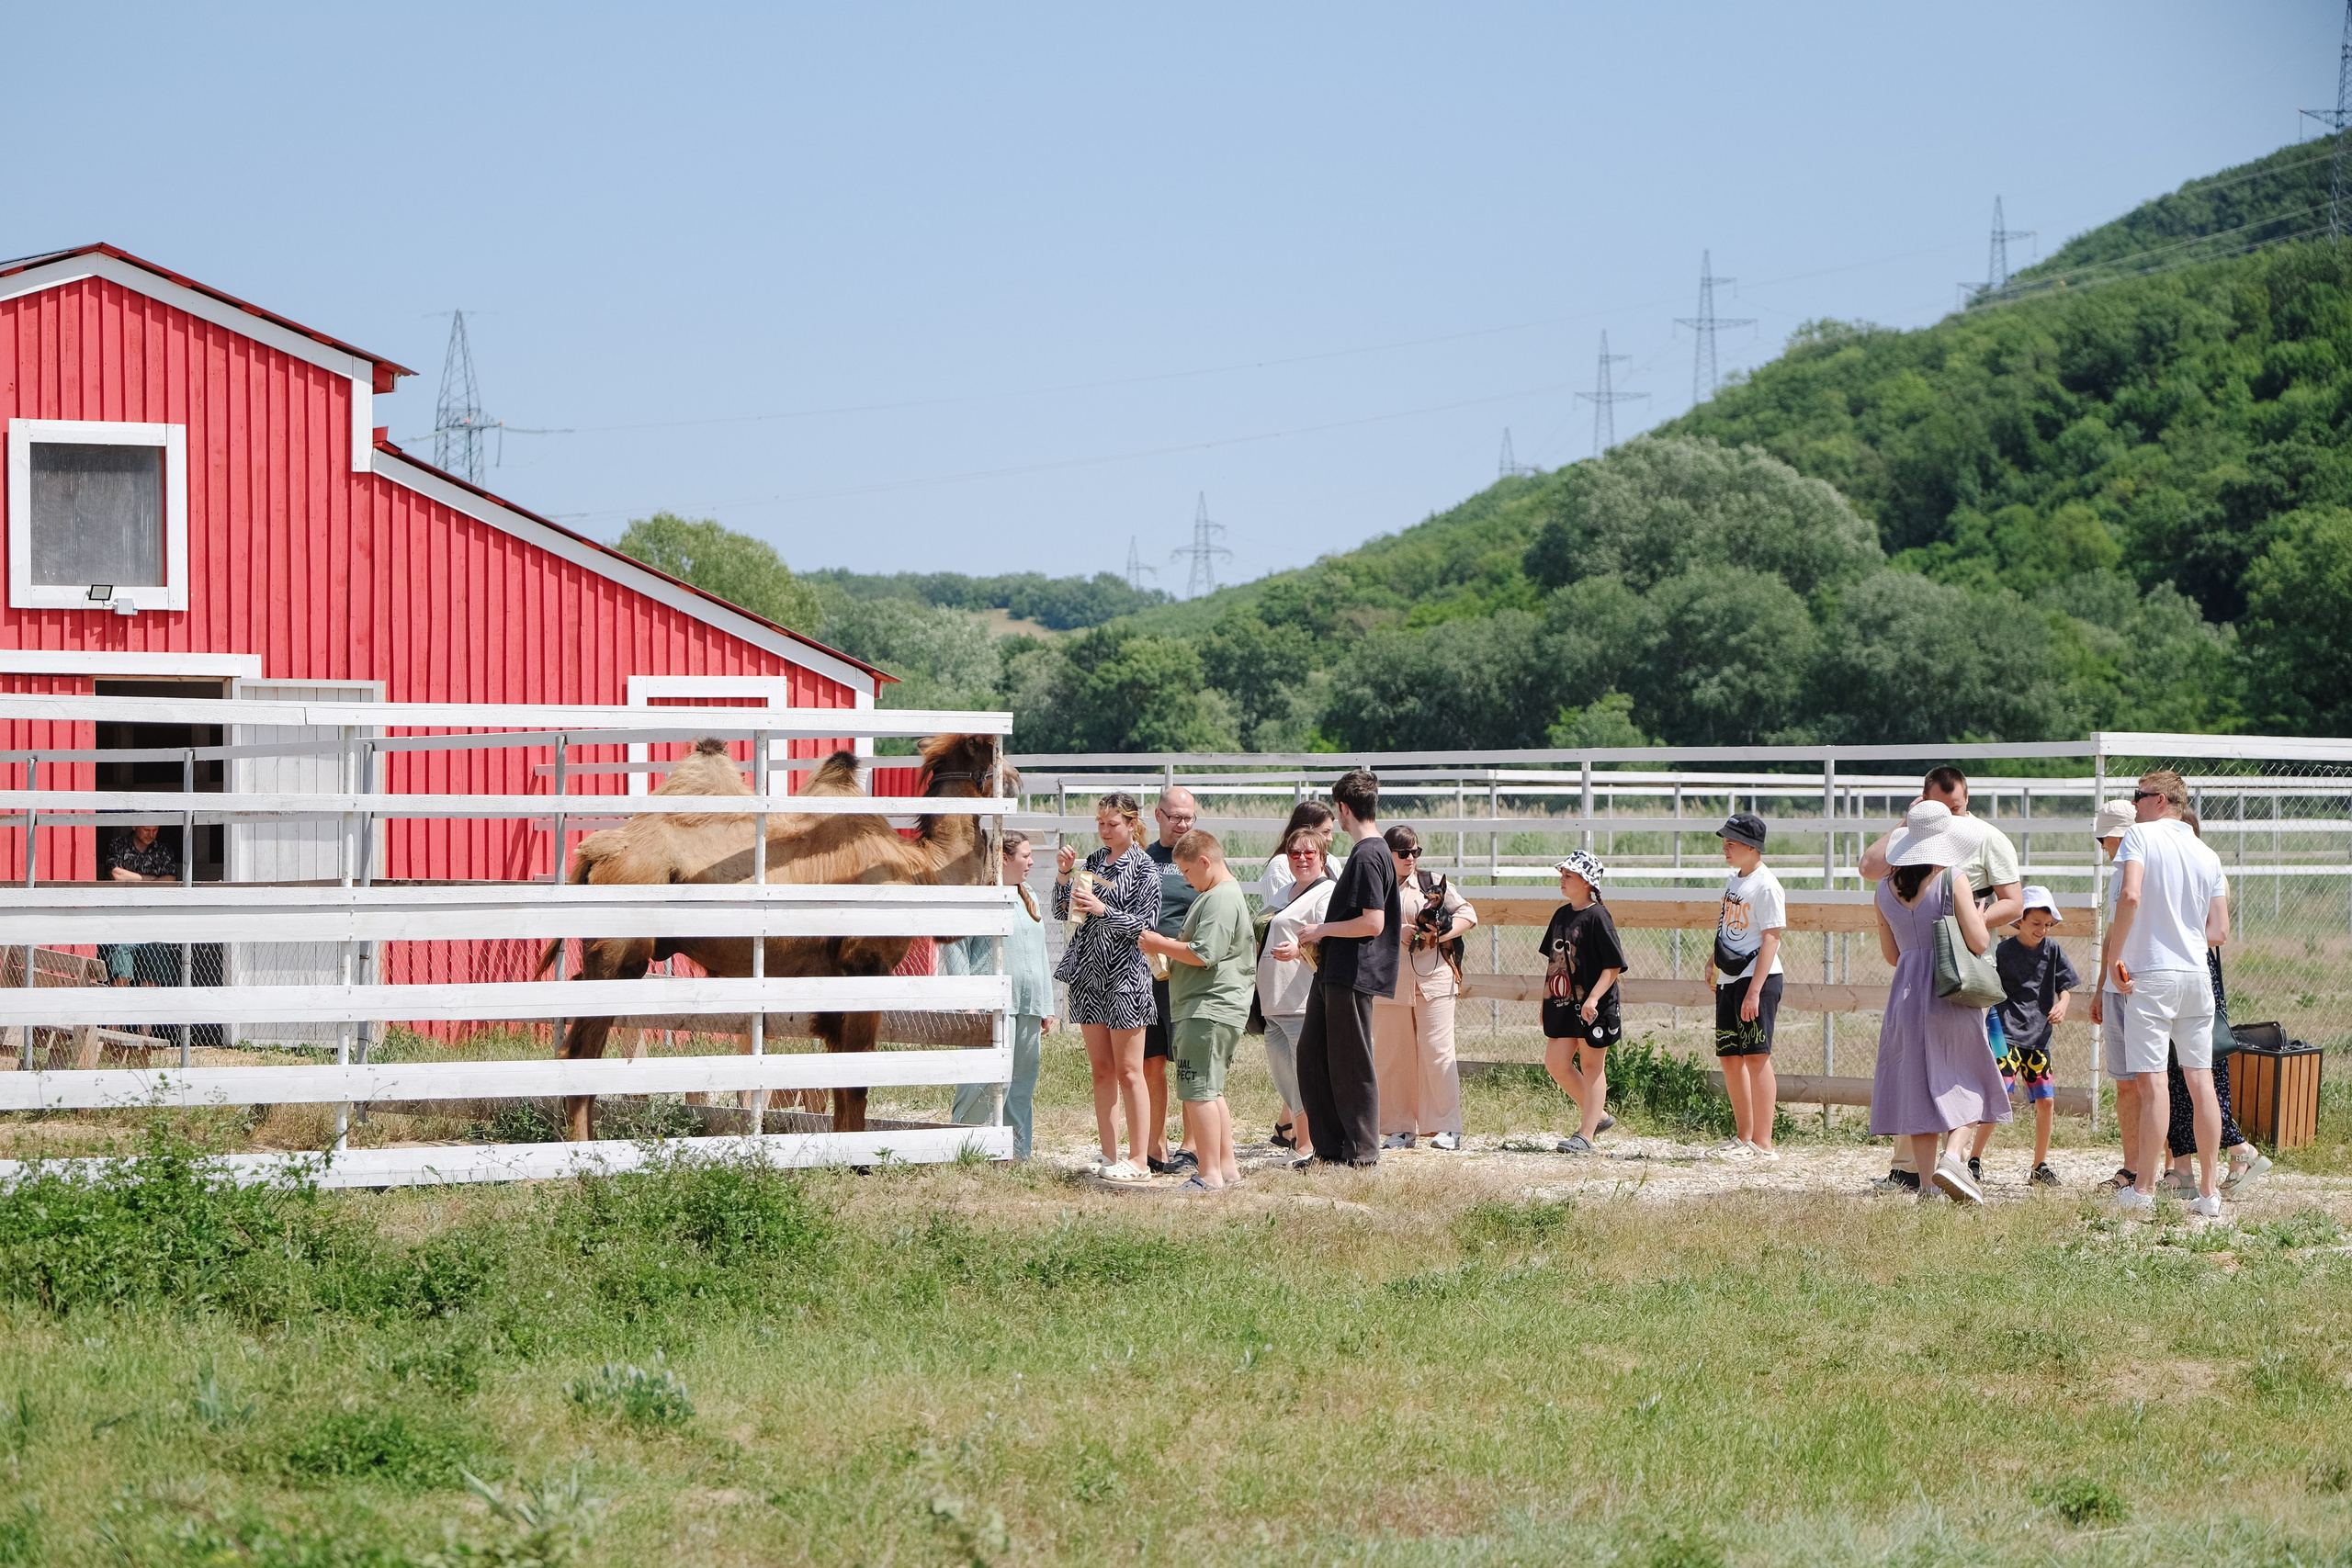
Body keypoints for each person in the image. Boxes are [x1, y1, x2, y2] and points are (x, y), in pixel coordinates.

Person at [1863, 766, 2023, 1193]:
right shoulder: (1953, 878)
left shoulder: (1883, 890)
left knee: (1916, 1087)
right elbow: (1976, 939)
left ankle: (1928, 1190)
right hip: (1949, 990)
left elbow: (1892, 955)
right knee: (1971, 1076)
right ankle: (1954, 1159)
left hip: (1906, 995)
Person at [2099, 770, 2231, 1217]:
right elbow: (2220, 931)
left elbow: (2130, 896)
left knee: (2153, 1086)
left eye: (2138, 796)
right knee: (2201, 1083)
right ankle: (2210, 1195)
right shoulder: (2207, 852)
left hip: (2151, 975)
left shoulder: (2140, 837)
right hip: (2196, 976)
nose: (2133, 804)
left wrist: (2117, 960)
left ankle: (2144, 1190)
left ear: (2159, 800)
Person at [1271, 768, 1398, 1168]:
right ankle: (1329, 1148)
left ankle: (1362, 1152)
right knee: (1313, 1057)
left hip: (1352, 974)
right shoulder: (1370, 853)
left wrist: (1320, 930)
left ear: (1344, 809)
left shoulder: (1367, 854)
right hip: (1335, 974)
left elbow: (1372, 922)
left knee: (1351, 1062)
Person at [1053, 792, 1161, 1182]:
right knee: (1101, 1071)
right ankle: (1109, 1153)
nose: (1104, 831)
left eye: (1113, 824)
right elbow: (1064, 913)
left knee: (1130, 1072)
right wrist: (1065, 875)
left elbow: (1145, 926)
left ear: (1132, 824)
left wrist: (1104, 910)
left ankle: (1139, 1160)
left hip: (1126, 978)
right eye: (1100, 824)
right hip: (1088, 975)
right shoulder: (1095, 862)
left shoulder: (1145, 867)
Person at [1140, 830, 1252, 1193]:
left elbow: (1205, 953)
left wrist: (1159, 943)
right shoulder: (1219, 895)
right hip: (1211, 1006)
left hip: (1207, 1007)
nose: (1185, 880)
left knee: (1197, 1092)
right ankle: (1226, 1169)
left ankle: (1209, 1175)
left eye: (1187, 871)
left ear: (1205, 862)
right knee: (1211, 1090)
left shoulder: (1219, 899)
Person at [943, 832, 1057, 1160]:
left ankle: (1016, 1152)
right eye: (1025, 855)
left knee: (1021, 1081)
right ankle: (968, 1148)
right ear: (1004, 858)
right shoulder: (978, 896)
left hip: (1028, 1004)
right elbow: (955, 947)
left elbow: (1038, 953)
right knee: (983, 1081)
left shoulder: (1029, 895)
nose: (1032, 862)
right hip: (991, 1003)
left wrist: (1045, 1004)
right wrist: (968, 997)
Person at [1373, 825, 1478, 1151]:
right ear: (1387, 854)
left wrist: (1439, 937)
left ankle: (1448, 1126)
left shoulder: (1431, 883)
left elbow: (1467, 914)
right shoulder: (1376, 886)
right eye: (1403, 853)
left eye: (1415, 852)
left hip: (1434, 979)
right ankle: (1400, 1127)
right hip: (1390, 981)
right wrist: (1396, 933)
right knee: (1393, 1054)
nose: (1411, 859)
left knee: (1437, 1051)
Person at [1977, 886, 2077, 1188]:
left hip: (2038, 1038)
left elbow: (2066, 987)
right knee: (1999, 1095)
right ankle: (1973, 1158)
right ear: (2019, 920)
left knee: (2046, 1101)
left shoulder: (2053, 951)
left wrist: (2062, 1004)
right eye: (2036, 924)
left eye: (2047, 925)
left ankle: (2039, 1164)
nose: (2042, 930)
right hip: (2006, 1033)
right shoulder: (2004, 952)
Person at [1707, 811, 1786, 1161]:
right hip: (1730, 976)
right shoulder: (1733, 879)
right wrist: (1713, 959)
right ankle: (1744, 1137)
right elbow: (1727, 923)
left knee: (1756, 1056)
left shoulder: (1767, 885)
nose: (1726, 847)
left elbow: (1771, 938)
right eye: (1724, 842)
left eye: (1732, 842)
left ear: (1753, 848)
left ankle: (1764, 1143)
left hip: (1758, 978)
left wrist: (1754, 991)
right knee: (1730, 1056)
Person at [1256, 828, 1335, 1157]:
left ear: (1322, 857)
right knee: (1285, 1078)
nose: (1301, 859)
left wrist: (1300, 948)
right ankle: (1300, 1139)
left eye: (1309, 853)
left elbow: (1329, 940)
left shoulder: (1326, 892)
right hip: (1272, 1000)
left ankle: (1307, 1144)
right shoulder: (1285, 891)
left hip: (1301, 997)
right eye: (1294, 853)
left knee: (1304, 1075)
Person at [1540, 850, 1624, 1155]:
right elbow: (1555, 963)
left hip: (1595, 1005)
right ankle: (1597, 1114)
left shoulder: (1599, 916)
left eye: (1569, 875)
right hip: (1563, 1002)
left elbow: (1612, 966)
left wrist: (1593, 998)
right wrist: (1546, 1001)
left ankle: (1586, 1136)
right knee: (1556, 1063)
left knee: (1592, 1065)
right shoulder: (1562, 915)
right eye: (1562, 874)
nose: (1562, 879)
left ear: (1587, 882)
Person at [1141, 785, 1203, 1173]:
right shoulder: (1144, 860)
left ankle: (1192, 1144)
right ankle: (1155, 1142)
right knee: (1152, 1059)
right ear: (1158, 816)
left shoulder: (1201, 859)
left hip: (1187, 971)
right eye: (1175, 817)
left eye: (1189, 818)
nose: (1182, 824)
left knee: (1189, 1060)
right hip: (1146, 972)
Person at [2085, 797, 2140, 1196]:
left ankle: (2150, 1167)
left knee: (2140, 1082)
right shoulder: (2121, 872)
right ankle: (2138, 1166)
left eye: (2104, 839)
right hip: (2118, 983)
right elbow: (2110, 933)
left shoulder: (2130, 869)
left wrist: (2109, 980)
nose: (2103, 847)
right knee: (2128, 1082)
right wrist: (2101, 984)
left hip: (2133, 985)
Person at [102, 824, 182, 989]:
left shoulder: (163, 849)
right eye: (146, 829)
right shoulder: (118, 845)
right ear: (134, 825)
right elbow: (117, 875)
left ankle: (148, 1010)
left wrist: (134, 879)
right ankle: (119, 1008)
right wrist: (151, 880)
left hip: (151, 920)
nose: (151, 834)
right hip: (121, 919)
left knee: (155, 967)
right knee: (121, 969)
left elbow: (170, 880)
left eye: (155, 830)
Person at [1261, 800, 1336, 909]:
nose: (1330, 838)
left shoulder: (1332, 861)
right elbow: (1275, 915)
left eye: (1310, 853)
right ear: (1307, 830)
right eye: (1325, 832)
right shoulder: (1280, 865)